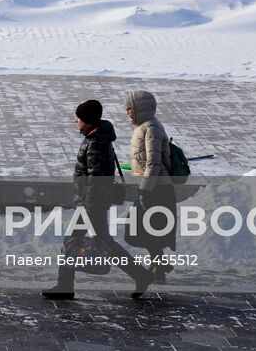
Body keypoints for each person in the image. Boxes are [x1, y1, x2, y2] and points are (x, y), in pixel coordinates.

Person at [42, 99, 154, 300]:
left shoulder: (95, 143)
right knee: (105, 242)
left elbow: (95, 180)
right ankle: (141, 275)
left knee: (71, 240)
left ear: (87, 120)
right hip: (94, 203)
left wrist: (89, 207)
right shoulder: (98, 137)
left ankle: (65, 286)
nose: (75, 120)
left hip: (90, 204)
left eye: (78, 117)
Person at [124, 89, 178, 281]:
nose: (127, 112)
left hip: (156, 189)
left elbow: (153, 164)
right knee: (141, 230)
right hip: (152, 186)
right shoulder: (144, 127)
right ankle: (160, 265)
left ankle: (159, 266)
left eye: (130, 108)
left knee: (143, 230)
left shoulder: (151, 129)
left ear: (140, 108)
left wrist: (145, 190)